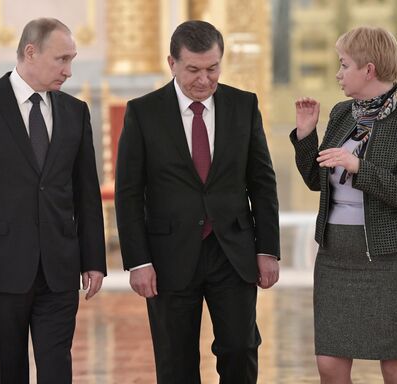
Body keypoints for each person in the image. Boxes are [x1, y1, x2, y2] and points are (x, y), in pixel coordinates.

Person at [0, 18, 106, 384]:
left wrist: (94, 260)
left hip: (59, 268)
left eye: (72, 59)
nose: (69, 70)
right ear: (31, 52)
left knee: (57, 371)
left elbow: (86, 194)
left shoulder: (75, 112)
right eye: (61, 59)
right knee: (6, 373)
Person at [115, 20, 280, 384]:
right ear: (171, 63)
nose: (204, 80)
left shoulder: (244, 105)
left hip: (232, 252)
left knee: (240, 349)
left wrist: (268, 250)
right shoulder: (143, 112)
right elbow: (128, 192)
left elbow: (262, 183)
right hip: (168, 256)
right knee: (176, 363)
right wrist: (138, 261)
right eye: (193, 69)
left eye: (212, 68)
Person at [292, 26, 397, 384]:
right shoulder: (344, 114)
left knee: (395, 367)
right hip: (337, 255)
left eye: (344, 65)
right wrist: (305, 135)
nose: (338, 73)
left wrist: (360, 167)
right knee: (328, 362)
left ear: (369, 69)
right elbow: (318, 181)